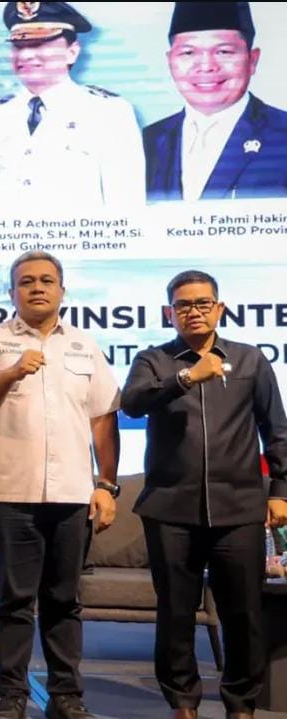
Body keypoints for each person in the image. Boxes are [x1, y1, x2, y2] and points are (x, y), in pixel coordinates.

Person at [120, 270, 287, 719]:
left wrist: (280, 491)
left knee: (243, 612)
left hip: (240, 507)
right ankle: (183, 702)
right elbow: (132, 404)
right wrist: (187, 377)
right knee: (176, 613)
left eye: (202, 303)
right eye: (183, 305)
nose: (193, 312)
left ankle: (241, 703)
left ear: (219, 308)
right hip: (170, 507)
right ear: (168, 312)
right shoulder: (153, 360)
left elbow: (276, 429)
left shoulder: (250, 360)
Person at [0, 251, 120, 719]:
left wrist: (106, 484)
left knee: (64, 600)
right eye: (26, 281)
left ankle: (66, 697)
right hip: (10, 494)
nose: (37, 288)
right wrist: (12, 371)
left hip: (72, 494)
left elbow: (103, 419)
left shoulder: (85, 345)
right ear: (12, 292)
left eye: (47, 281)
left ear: (62, 290)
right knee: (14, 601)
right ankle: (11, 696)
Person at [0, 2, 144, 211]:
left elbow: (126, 209)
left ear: (72, 52)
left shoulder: (109, 114)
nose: (26, 55)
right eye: (18, 46)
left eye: (39, 44)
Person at [144, 2, 287, 201]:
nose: (206, 66)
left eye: (224, 52)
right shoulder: (146, 141)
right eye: (188, 53)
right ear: (170, 61)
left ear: (252, 60)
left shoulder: (282, 134)